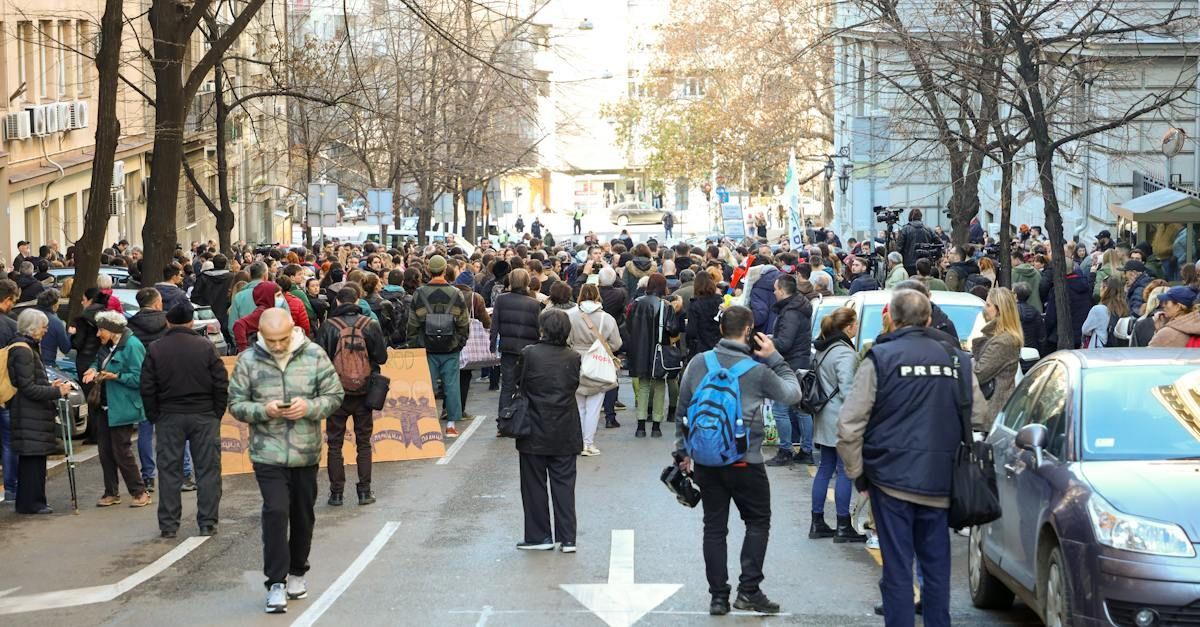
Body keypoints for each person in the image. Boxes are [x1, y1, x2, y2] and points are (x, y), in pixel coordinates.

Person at [837, 290, 968, 626]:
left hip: (890, 479)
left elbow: (850, 423)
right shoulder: (956, 359)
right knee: (937, 568)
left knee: (896, 568)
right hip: (940, 480)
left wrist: (858, 474)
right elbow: (978, 416)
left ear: (892, 320)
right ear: (928, 319)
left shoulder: (880, 358)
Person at [673, 305, 802, 616]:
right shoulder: (757, 371)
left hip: (705, 460)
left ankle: (718, 597)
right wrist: (775, 357)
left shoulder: (699, 363)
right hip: (746, 459)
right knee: (757, 522)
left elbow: (683, 410)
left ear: (720, 330)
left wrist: (682, 452)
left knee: (714, 527)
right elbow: (793, 394)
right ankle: (749, 590)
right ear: (749, 332)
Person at [228, 308, 344, 614]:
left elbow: (335, 395)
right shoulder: (249, 361)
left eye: (281, 339)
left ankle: (297, 572)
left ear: (292, 330)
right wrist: (264, 411)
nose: (277, 345)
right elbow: (236, 405)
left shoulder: (315, 355)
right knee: (276, 511)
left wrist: (310, 406)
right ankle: (275, 582)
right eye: (271, 340)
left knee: (303, 513)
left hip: (306, 450)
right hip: (267, 452)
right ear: (261, 335)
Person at [140, 301, 228, 538]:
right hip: (204, 415)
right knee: (208, 469)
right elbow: (221, 383)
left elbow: (147, 386)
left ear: (168, 321)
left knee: (169, 471)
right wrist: (216, 412)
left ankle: (169, 525)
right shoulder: (206, 347)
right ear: (191, 322)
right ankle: (208, 521)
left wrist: (155, 415)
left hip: (169, 415)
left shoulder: (157, 348)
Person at [513, 309, 583, 552]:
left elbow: (517, 382)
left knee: (534, 484)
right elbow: (573, 384)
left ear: (542, 329)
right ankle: (568, 538)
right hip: (565, 426)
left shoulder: (529, 354)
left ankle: (539, 536)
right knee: (564, 484)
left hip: (534, 425)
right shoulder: (573, 357)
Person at [315, 286, 388, 506]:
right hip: (365, 392)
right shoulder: (370, 325)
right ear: (357, 300)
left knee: (335, 443)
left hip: (336, 392)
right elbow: (382, 358)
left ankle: (336, 493)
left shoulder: (329, 326)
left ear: (337, 302)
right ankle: (364, 492)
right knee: (364, 442)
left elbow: (319, 358)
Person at [85, 311, 152, 508]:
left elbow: (141, 379)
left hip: (123, 407)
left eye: (101, 330)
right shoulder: (108, 345)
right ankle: (111, 492)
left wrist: (116, 377)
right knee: (105, 452)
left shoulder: (133, 346)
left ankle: (140, 492)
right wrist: (92, 368)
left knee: (121, 452)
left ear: (113, 330)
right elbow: (99, 362)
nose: (98, 334)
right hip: (105, 406)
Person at [809, 307, 865, 542]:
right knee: (844, 471)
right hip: (840, 417)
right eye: (856, 323)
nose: (858, 327)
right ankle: (843, 524)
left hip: (823, 416)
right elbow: (848, 389)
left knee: (825, 468)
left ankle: (817, 521)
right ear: (849, 327)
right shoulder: (845, 353)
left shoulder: (823, 349)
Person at [9, 310, 72, 514]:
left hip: (30, 413)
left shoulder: (26, 347)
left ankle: (34, 502)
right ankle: (32, 503)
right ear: (33, 327)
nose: (45, 331)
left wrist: (49, 384)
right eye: (43, 327)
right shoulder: (24, 350)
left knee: (35, 459)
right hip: (30, 413)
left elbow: (30, 382)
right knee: (32, 461)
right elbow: (27, 387)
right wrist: (55, 390)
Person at [406, 255, 470, 437]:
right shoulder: (456, 293)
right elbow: (463, 323)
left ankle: (426, 425)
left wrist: (413, 344)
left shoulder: (419, 293)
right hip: (451, 347)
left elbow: (412, 323)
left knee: (425, 386)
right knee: (451, 386)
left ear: (428, 271)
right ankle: (450, 425)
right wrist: (460, 342)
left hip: (426, 347)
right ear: (444, 270)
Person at [566, 284, 622, 456]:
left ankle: (578, 441)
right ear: (598, 296)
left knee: (579, 406)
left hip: (576, 361)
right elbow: (617, 343)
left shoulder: (570, 315)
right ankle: (588, 443)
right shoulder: (607, 318)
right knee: (594, 407)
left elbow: (566, 339)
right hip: (599, 362)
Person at [764, 274, 813, 467]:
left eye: (775, 289)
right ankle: (806, 450)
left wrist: (768, 341)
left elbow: (784, 342)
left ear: (783, 291)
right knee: (800, 409)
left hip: (790, 365)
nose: (774, 293)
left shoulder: (791, 312)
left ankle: (786, 450)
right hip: (798, 362)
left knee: (781, 409)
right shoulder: (797, 307)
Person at [625, 273, 679, 438]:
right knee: (660, 386)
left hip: (639, 350)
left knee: (643, 386)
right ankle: (656, 425)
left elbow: (628, 327)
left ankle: (640, 425)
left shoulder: (636, 304)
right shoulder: (666, 306)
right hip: (659, 350)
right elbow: (673, 330)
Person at [128, 287, 168, 492]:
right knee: (170, 429)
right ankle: (182, 472)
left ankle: (148, 476)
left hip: (144, 381)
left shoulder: (131, 325)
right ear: (156, 303)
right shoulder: (167, 322)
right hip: (167, 380)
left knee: (145, 430)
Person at [491, 268, 542, 421]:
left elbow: (495, 324)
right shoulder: (534, 304)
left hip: (508, 347)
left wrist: (492, 345)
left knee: (507, 385)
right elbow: (538, 328)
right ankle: (526, 419)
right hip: (529, 349)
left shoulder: (501, 299)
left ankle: (503, 420)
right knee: (528, 385)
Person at [971, 288, 1023, 432]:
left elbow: (979, 373)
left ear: (999, 310)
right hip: (993, 407)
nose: (984, 309)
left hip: (993, 409)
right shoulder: (1000, 337)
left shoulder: (1003, 342)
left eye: (988, 305)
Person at [233, 281, 283, 353]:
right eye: (278, 295)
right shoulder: (263, 312)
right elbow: (239, 324)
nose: (281, 299)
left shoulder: (270, 311)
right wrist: (243, 350)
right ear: (268, 296)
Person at [1082, 277, 1129, 349]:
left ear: (1105, 289)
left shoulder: (1098, 309)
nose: (1100, 289)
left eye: (1101, 286)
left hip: (1100, 351)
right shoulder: (1125, 309)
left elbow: (1085, 330)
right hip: (1118, 351)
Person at [685, 271, 723, 360]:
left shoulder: (695, 305)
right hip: (718, 345)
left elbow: (692, 331)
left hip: (701, 347)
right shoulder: (720, 301)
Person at [228, 261, 268, 334]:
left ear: (249, 277)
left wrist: (240, 342)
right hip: (272, 341)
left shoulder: (239, 296)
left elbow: (232, 327)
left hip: (245, 341)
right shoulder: (275, 293)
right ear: (265, 276)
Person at [34, 289, 71, 365]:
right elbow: (65, 348)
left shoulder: (29, 316)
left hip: (27, 358)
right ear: (54, 304)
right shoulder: (56, 323)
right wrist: (70, 334)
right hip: (47, 362)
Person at [896, 209, 936, 275]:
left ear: (910, 216)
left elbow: (899, 248)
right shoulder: (928, 229)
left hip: (908, 264)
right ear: (921, 217)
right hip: (925, 263)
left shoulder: (905, 229)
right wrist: (932, 255)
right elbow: (939, 244)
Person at [1014, 283, 1045, 364]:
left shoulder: (1010, 313)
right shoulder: (1036, 312)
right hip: (1032, 354)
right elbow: (1041, 336)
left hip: (1015, 354)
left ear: (1016, 295)